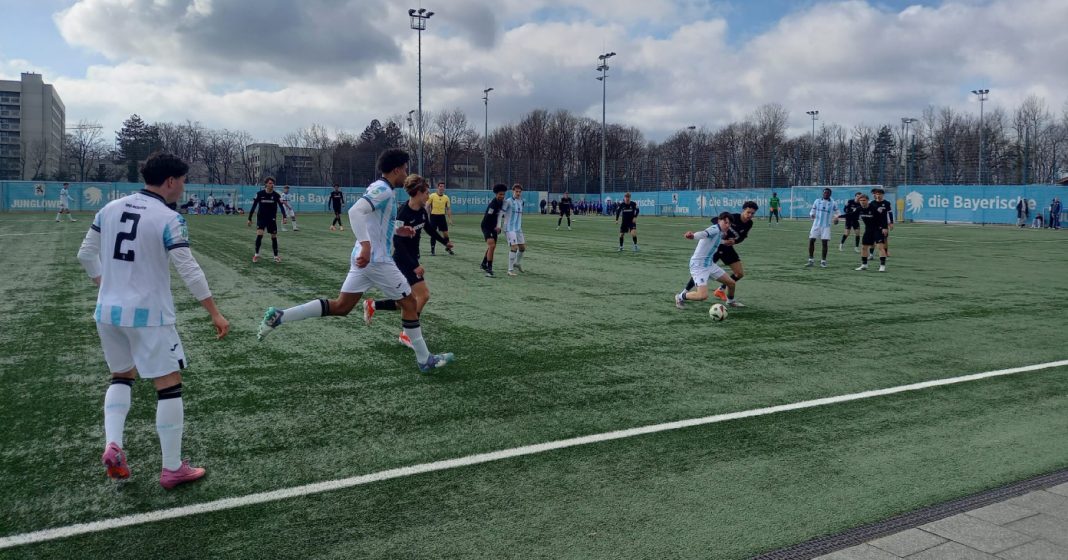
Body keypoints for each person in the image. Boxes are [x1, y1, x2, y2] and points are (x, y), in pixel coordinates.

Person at [76, 152, 230, 489]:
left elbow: (85, 254)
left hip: (107, 313)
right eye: (183, 181)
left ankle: (113, 444)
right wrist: (214, 312)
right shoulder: (167, 217)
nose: (183, 187)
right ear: (171, 181)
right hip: (149, 315)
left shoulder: (111, 208)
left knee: (121, 376)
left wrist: (105, 285)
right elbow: (188, 268)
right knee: (169, 385)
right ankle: (172, 468)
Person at [257, 148, 453, 373]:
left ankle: (280, 316)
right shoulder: (384, 191)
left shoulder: (378, 187)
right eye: (405, 169)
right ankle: (425, 359)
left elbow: (373, 222)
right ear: (397, 169)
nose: (406, 173)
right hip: (376, 260)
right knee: (409, 303)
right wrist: (368, 245)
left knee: (341, 306)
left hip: (363, 257)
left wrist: (399, 233)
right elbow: (355, 212)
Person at [363, 175, 452, 347]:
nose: (428, 195)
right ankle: (406, 334)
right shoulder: (403, 212)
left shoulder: (422, 211)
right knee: (423, 295)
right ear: (418, 193)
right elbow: (398, 243)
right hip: (403, 260)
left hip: (412, 259)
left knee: (404, 302)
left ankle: (372, 304)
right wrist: (415, 265)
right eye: (426, 192)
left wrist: (444, 242)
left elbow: (429, 229)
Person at [675, 212, 737, 309]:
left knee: (731, 283)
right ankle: (680, 297)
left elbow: (714, 241)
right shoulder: (714, 229)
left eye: (729, 224)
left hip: (709, 265)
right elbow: (704, 234)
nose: (727, 225)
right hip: (698, 266)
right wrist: (693, 236)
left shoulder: (720, 232)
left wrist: (725, 242)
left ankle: (730, 301)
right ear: (719, 221)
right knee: (702, 296)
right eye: (725, 222)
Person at [247, 177, 287, 263]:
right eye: (269, 183)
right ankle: (256, 255)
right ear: (266, 184)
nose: (271, 185)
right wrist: (249, 218)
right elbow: (254, 206)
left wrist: (284, 217)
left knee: (273, 236)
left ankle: (276, 256)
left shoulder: (276, 195)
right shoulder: (259, 194)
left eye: (272, 183)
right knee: (259, 234)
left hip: (272, 219)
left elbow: (281, 207)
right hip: (261, 218)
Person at [853, 193, 889, 272]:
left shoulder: (874, 208)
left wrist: (884, 227)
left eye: (864, 200)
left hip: (878, 229)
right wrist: (838, 217)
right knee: (864, 247)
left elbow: (883, 217)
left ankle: (882, 266)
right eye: (861, 200)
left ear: (867, 201)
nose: (862, 202)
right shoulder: (859, 209)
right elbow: (851, 215)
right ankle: (864, 265)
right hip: (868, 230)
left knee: (880, 247)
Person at [806, 188, 839, 268]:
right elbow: (812, 211)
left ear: (830, 194)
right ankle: (811, 260)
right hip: (816, 225)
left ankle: (823, 261)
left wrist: (836, 218)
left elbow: (837, 213)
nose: (826, 194)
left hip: (826, 226)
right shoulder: (817, 201)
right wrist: (812, 215)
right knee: (811, 241)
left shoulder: (833, 203)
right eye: (824, 193)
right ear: (823, 193)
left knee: (824, 243)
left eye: (827, 193)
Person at [480, 184, 507, 277]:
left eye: (503, 194)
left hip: (494, 227)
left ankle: (484, 263)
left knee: (492, 247)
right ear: (496, 194)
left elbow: (500, 216)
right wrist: (494, 228)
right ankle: (489, 269)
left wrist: (498, 226)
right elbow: (487, 218)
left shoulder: (503, 203)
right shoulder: (493, 204)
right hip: (486, 226)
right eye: (500, 194)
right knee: (492, 245)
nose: (502, 196)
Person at [502, 183, 526, 276]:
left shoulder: (521, 201)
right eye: (517, 191)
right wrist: (499, 225)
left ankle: (517, 263)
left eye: (520, 192)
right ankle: (510, 270)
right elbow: (501, 213)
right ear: (513, 191)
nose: (518, 193)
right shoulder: (508, 201)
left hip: (518, 228)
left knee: (522, 248)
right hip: (509, 228)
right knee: (514, 247)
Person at [427, 181, 454, 255]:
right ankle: (432, 250)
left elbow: (448, 209)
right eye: (440, 186)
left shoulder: (446, 198)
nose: (442, 188)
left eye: (443, 186)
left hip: (442, 217)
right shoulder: (432, 196)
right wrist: (427, 215)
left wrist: (450, 219)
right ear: (438, 187)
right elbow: (427, 206)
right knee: (433, 233)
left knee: (446, 234)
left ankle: (448, 248)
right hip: (433, 217)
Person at [870, 188, 894, 255]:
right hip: (874, 224)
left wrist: (891, 223)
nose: (878, 195)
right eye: (877, 194)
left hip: (884, 223)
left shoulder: (887, 203)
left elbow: (889, 213)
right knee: (873, 239)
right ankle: (871, 254)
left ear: (883, 195)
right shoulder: (872, 203)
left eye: (880, 194)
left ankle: (886, 252)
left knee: (885, 239)